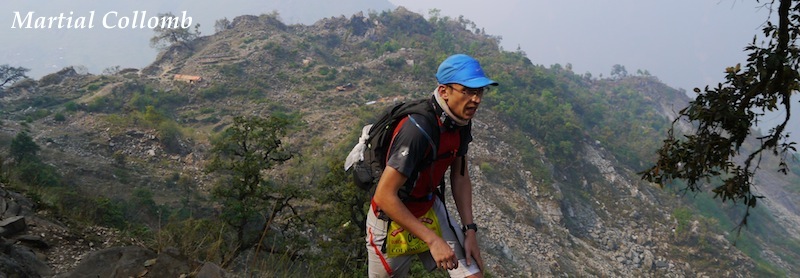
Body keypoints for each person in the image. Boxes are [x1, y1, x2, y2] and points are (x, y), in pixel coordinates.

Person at [366, 54, 498, 277]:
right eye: (467, 91)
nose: (476, 99)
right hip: (391, 217)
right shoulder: (417, 129)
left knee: (473, 274)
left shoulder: (460, 122)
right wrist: (432, 240)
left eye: (479, 91)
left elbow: (460, 176)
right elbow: (385, 195)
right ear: (444, 91)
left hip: (428, 206)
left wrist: (470, 230)